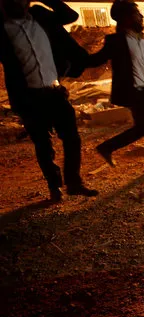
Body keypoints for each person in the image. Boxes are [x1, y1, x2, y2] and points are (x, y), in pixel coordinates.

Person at [0, 0, 97, 201]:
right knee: (43, 144)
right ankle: (54, 187)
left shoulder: (42, 17)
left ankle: (74, 182)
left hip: (55, 91)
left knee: (72, 137)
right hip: (29, 97)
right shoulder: (2, 29)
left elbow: (70, 16)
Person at [88, 0, 144, 171]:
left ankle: (108, 147)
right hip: (132, 93)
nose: (141, 17)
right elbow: (96, 60)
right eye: (137, 13)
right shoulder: (115, 40)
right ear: (126, 18)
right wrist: (70, 59)